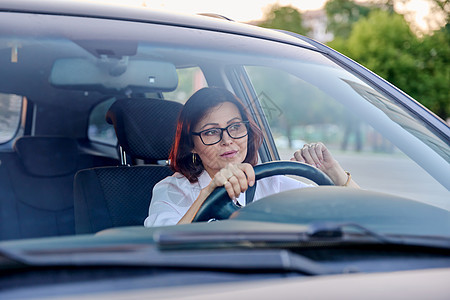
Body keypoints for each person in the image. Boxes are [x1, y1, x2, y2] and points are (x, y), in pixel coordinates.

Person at [144, 87, 358, 227]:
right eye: (211, 132)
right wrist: (208, 192)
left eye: (235, 127)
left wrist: (337, 175)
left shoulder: (270, 183)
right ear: (191, 145)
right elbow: (160, 249)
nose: (227, 140)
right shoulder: (172, 190)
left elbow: (359, 214)